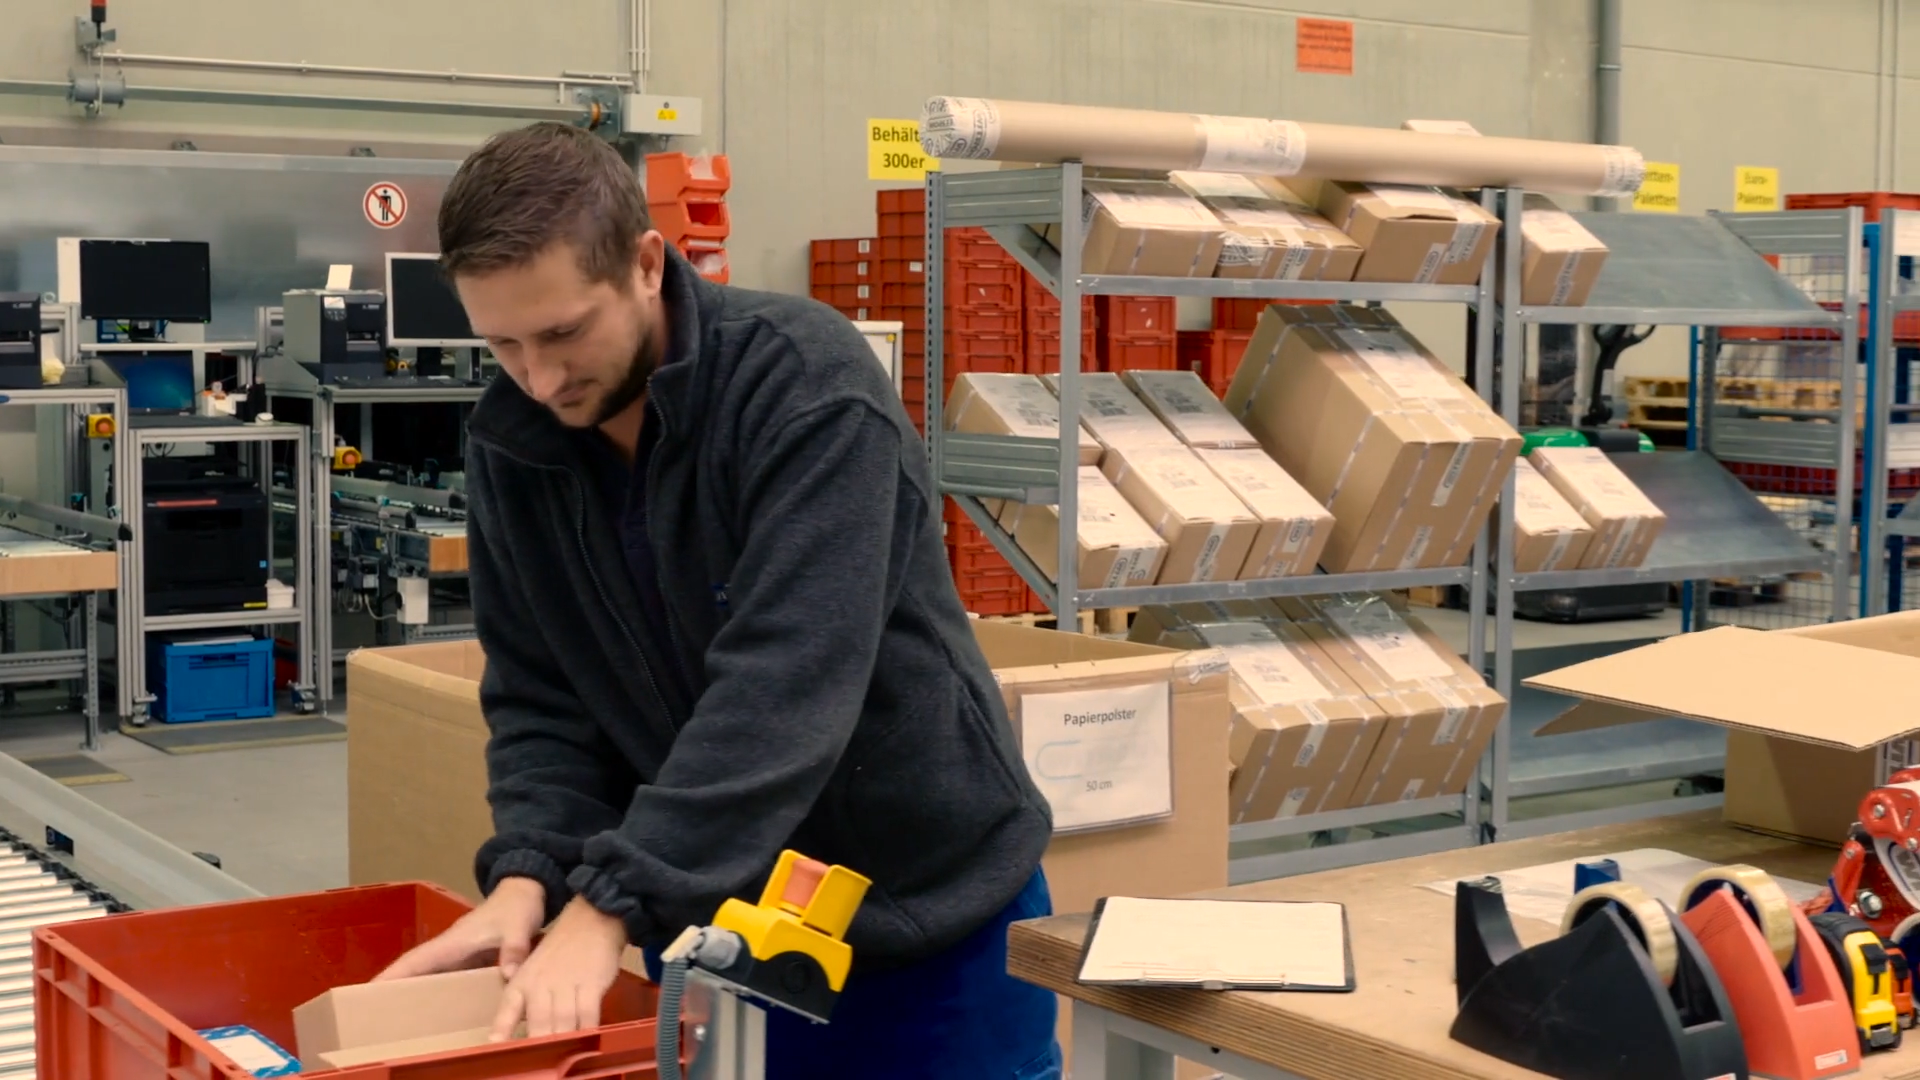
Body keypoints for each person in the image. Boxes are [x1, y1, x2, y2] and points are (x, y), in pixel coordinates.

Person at [374, 122, 1063, 1079]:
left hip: (921, 905)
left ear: (647, 264)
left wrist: (610, 898)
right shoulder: (513, 446)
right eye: (504, 345)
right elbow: (542, 698)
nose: (539, 377)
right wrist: (531, 870)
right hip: (716, 913)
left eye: (566, 332)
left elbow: (785, 687)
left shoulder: (804, 389)